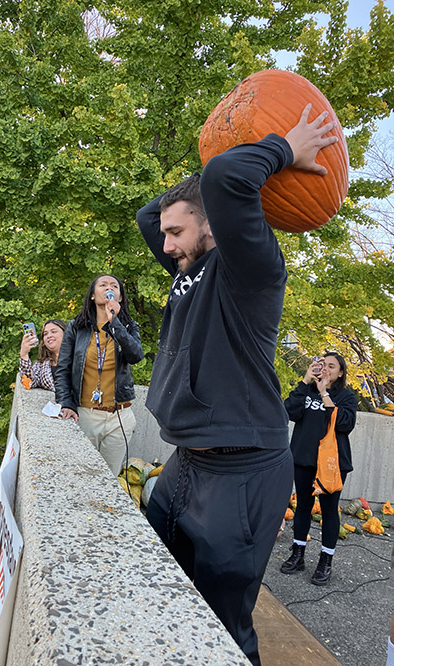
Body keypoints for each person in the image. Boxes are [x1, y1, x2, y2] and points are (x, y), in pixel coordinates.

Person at [137, 103, 340, 666]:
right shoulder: (188, 268)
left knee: (223, 626)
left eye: (178, 231)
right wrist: (210, 157)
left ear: (213, 225)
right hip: (187, 466)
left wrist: (283, 148)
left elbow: (227, 180)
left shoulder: (250, 271)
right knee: (160, 592)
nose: (166, 242)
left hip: (243, 473)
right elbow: (146, 215)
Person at [53, 274, 144, 475]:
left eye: (114, 286)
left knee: (109, 479)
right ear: (93, 296)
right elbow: (63, 369)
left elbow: (136, 356)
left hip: (119, 416)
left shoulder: (128, 327)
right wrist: (66, 403)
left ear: (119, 298)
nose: (108, 288)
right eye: (102, 285)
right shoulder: (76, 328)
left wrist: (116, 324)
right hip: (86, 415)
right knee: (82, 476)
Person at [279, 352, 358, 585]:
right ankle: (298, 554)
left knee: (329, 511)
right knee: (302, 507)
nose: (326, 369)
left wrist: (324, 392)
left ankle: (325, 561)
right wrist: (305, 380)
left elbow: (345, 423)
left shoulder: (346, 397)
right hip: (303, 459)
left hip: (331, 465)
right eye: (322, 364)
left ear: (341, 372)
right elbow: (289, 411)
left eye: (332, 366)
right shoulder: (306, 391)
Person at [18, 318, 67, 391]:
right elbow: (28, 384)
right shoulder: (41, 366)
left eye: (53, 331)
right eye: (45, 334)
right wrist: (24, 354)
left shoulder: (78, 358)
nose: (49, 336)